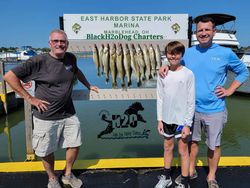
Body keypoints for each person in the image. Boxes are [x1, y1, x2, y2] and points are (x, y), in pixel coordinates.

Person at [159, 16, 249, 188]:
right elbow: (174, 60)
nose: (203, 33)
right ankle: (190, 171)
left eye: (207, 30)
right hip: (191, 110)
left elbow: (243, 72)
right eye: (200, 30)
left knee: (213, 145)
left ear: (214, 31)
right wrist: (164, 64)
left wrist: (230, 90)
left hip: (215, 109)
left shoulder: (225, 53)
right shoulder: (189, 52)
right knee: (192, 143)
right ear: (196, 33)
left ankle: (211, 177)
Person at [3, 29, 99, 188]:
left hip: (69, 113)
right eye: (56, 41)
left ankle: (67, 174)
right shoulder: (38, 61)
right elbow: (9, 77)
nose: (59, 44)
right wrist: (30, 98)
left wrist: (88, 85)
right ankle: (52, 178)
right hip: (45, 116)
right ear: (50, 43)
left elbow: (77, 70)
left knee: (75, 144)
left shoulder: (70, 58)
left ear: (67, 44)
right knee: (46, 150)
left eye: (62, 42)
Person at [155, 41, 195, 188]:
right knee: (167, 147)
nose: (174, 56)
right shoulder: (162, 73)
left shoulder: (188, 74)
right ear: (166, 55)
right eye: (171, 53)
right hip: (166, 119)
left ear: (181, 55)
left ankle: (184, 181)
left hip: (181, 121)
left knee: (183, 151)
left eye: (177, 53)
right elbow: (160, 97)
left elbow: (191, 101)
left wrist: (187, 124)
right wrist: (159, 119)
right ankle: (166, 177)